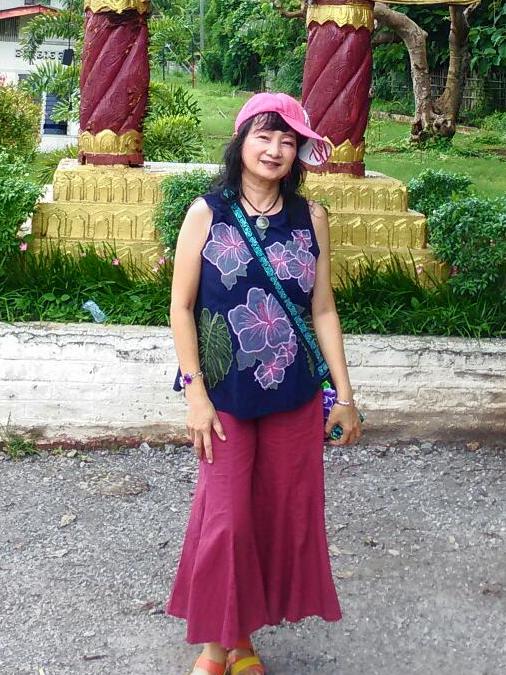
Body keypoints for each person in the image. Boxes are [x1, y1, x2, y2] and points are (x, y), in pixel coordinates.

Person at [166, 92, 362, 675]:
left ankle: (243, 640)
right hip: (224, 396)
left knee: (275, 517)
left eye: (287, 140)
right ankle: (214, 647)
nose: (275, 149)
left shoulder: (312, 217)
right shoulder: (207, 212)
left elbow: (322, 309)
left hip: (294, 395)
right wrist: (195, 394)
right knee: (226, 520)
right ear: (241, 141)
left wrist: (345, 397)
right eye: (264, 136)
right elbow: (181, 307)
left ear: (298, 152)